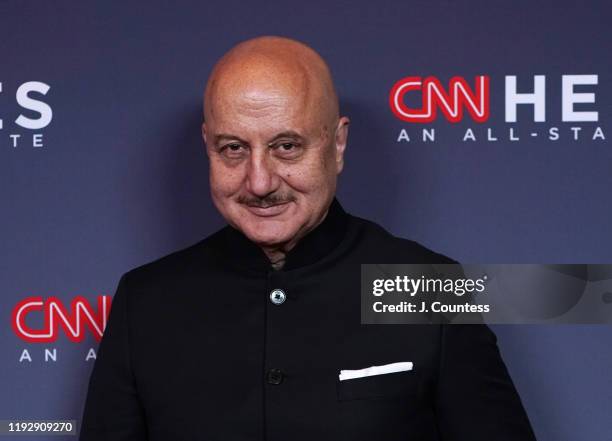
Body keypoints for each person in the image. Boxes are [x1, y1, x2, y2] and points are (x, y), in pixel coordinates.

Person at [80, 36, 536, 441]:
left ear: (337, 145)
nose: (259, 182)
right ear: (208, 147)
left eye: (286, 146)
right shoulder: (147, 302)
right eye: (233, 148)